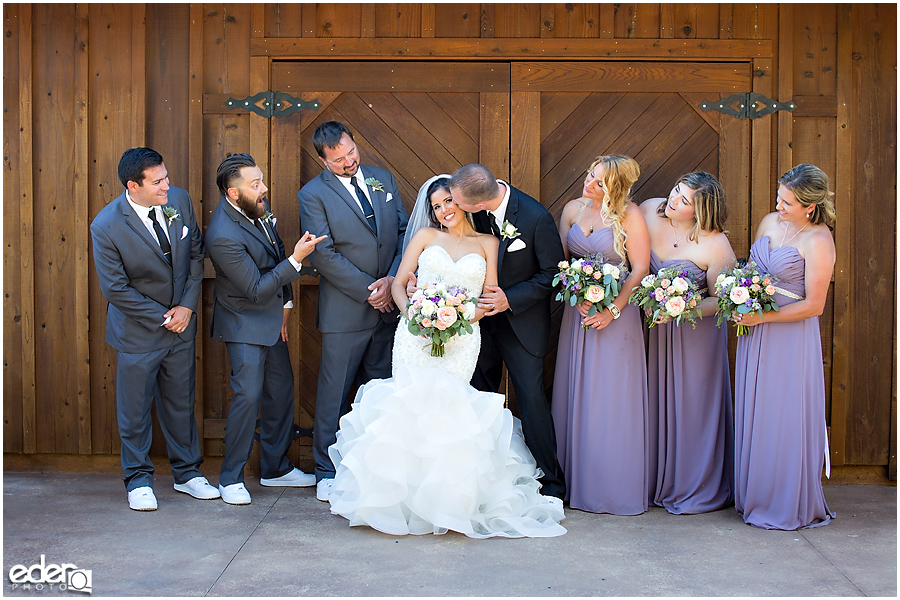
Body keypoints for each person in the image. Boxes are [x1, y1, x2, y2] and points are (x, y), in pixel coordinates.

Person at [327, 175, 566, 538]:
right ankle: (400, 498)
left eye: (448, 202)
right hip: (416, 336)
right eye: (436, 206)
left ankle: (465, 497)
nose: (443, 210)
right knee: (411, 407)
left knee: (458, 410)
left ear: (464, 201)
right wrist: (414, 315)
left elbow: (492, 293)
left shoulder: (492, 237)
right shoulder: (425, 237)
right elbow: (399, 280)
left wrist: (458, 319)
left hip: (464, 336)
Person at [91, 147, 218, 511]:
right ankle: (138, 480)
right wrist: (166, 316)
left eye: (166, 177)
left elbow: (195, 253)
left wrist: (187, 307)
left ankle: (188, 474)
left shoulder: (177, 199)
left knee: (181, 403)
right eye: (158, 181)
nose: (168, 186)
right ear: (133, 185)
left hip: (181, 327)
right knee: (135, 409)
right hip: (138, 332)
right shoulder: (106, 225)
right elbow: (115, 288)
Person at [297, 121, 409, 502]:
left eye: (351, 152)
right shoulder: (312, 195)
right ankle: (326, 471)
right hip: (347, 310)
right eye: (339, 159)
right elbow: (323, 254)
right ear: (323, 161)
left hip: (389, 305)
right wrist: (369, 290)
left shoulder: (382, 177)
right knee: (334, 392)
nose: (349, 162)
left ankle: (374, 467)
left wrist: (392, 280)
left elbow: (404, 233)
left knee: (380, 391)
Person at [206, 153, 325, 505]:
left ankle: (275, 469)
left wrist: (285, 307)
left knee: (281, 390)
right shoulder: (222, 235)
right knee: (248, 397)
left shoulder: (257, 206)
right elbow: (256, 287)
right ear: (233, 193)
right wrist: (297, 260)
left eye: (262, 181)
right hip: (243, 323)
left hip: (271, 319)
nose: (265, 188)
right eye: (255, 184)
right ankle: (230, 478)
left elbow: (274, 255)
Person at [447, 164, 567, 510]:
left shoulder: (535, 218)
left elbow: (551, 276)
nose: (453, 208)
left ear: (477, 203)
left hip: (521, 324)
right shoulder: (474, 213)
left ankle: (552, 482)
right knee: (479, 399)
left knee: (531, 401)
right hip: (478, 325)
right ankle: (483, 478)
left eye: (458, 203)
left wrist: (509, 299)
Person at [733, 164, 837, 529]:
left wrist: (764, 317)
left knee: (783, 414)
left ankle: (784, 501)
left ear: (809, 206)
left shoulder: (818, 240)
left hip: (789, 337)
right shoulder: (768, 222)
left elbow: (815, 305)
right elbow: (748, 270)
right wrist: (740, 296)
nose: (779, 206)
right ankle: (755, 495)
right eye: (779, 197)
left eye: (787, 202)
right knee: (757, 410)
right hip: (754, 331)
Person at [551, 155, 650, 515]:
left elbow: (639, 267)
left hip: (616, 316)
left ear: (616, 188)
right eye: (588, 176)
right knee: (576, 390)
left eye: (598, 182)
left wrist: (613, 309)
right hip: (577, 314)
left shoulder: (630, 215)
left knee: (612, 396)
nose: (588, 185)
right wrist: (575, 292)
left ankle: (611, 486)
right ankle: (573, 483)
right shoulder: (572, 210)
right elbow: (563, 261)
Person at [640, 172, 736, 514]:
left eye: (684, 201)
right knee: (649, 402)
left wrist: (682, 305)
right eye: (676, 190)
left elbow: (724, 301)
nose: (673, 200)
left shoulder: (716, 245)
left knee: (691, 407)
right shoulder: (650, 210)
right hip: (652, 332)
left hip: (695, 337)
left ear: (700, 212)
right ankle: (649, 479)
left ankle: (693, 483)